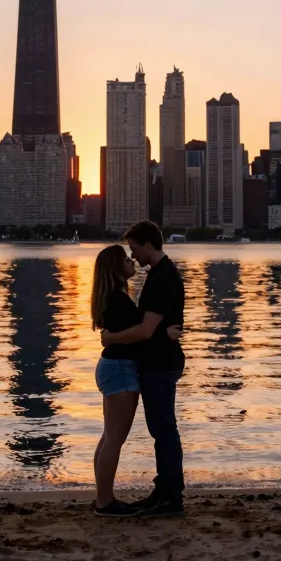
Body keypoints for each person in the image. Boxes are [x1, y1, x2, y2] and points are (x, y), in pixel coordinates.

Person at [101, 220, 186, 518]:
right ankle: (164, 491)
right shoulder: (158, 274)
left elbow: (146, 329)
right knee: (160, 430)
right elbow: (152, 327)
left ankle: (171, 496)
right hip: (156, 362)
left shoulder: (163, 277)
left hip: (161, 364)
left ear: (148, 245)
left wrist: (110, 338)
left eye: (135, 249)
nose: (133, 256)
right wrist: (165, 333)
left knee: (164, 430)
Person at [90, 244, 148, 517]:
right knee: (114, 439)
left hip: (111, 366)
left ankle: (103, 497)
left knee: (108, 437)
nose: (131, 261)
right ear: (116, 267)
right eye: (126, 259)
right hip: (121, 368)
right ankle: (104, 502)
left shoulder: (110, 297)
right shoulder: (118, 299)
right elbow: (139, 332)